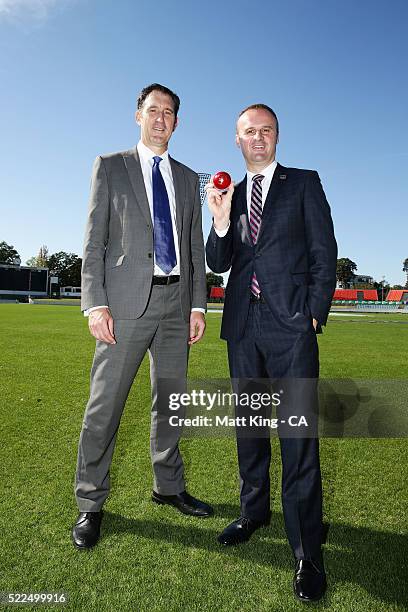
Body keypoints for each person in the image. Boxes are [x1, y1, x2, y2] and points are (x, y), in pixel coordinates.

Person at [205, 104, 337, 602]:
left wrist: (315, 312)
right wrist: (219, 222)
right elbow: (219, 262)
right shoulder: (228, 195)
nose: (257, 138)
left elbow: (324, 250)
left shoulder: (303, 183)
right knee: (250, 431)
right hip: (243, 327)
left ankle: (306, 549)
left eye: (265, 131)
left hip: (291, 327)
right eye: (248, 132)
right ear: (235, 140)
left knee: (298, 436)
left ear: (277, 136)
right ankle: (253, 512)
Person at [72, 83, 213, 550]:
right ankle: (90, 502)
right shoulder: (110, 167)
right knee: (104, 407)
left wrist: (197, 304)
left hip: (177, 304)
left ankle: (167, 486)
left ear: (177, 122)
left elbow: (194, 247)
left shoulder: (190, 178)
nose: (160, 119)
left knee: (170, 403)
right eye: (153, 110)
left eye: (169, 112)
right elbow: (93, 241)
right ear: (138, 115)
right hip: (126, 305)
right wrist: (95, 304)